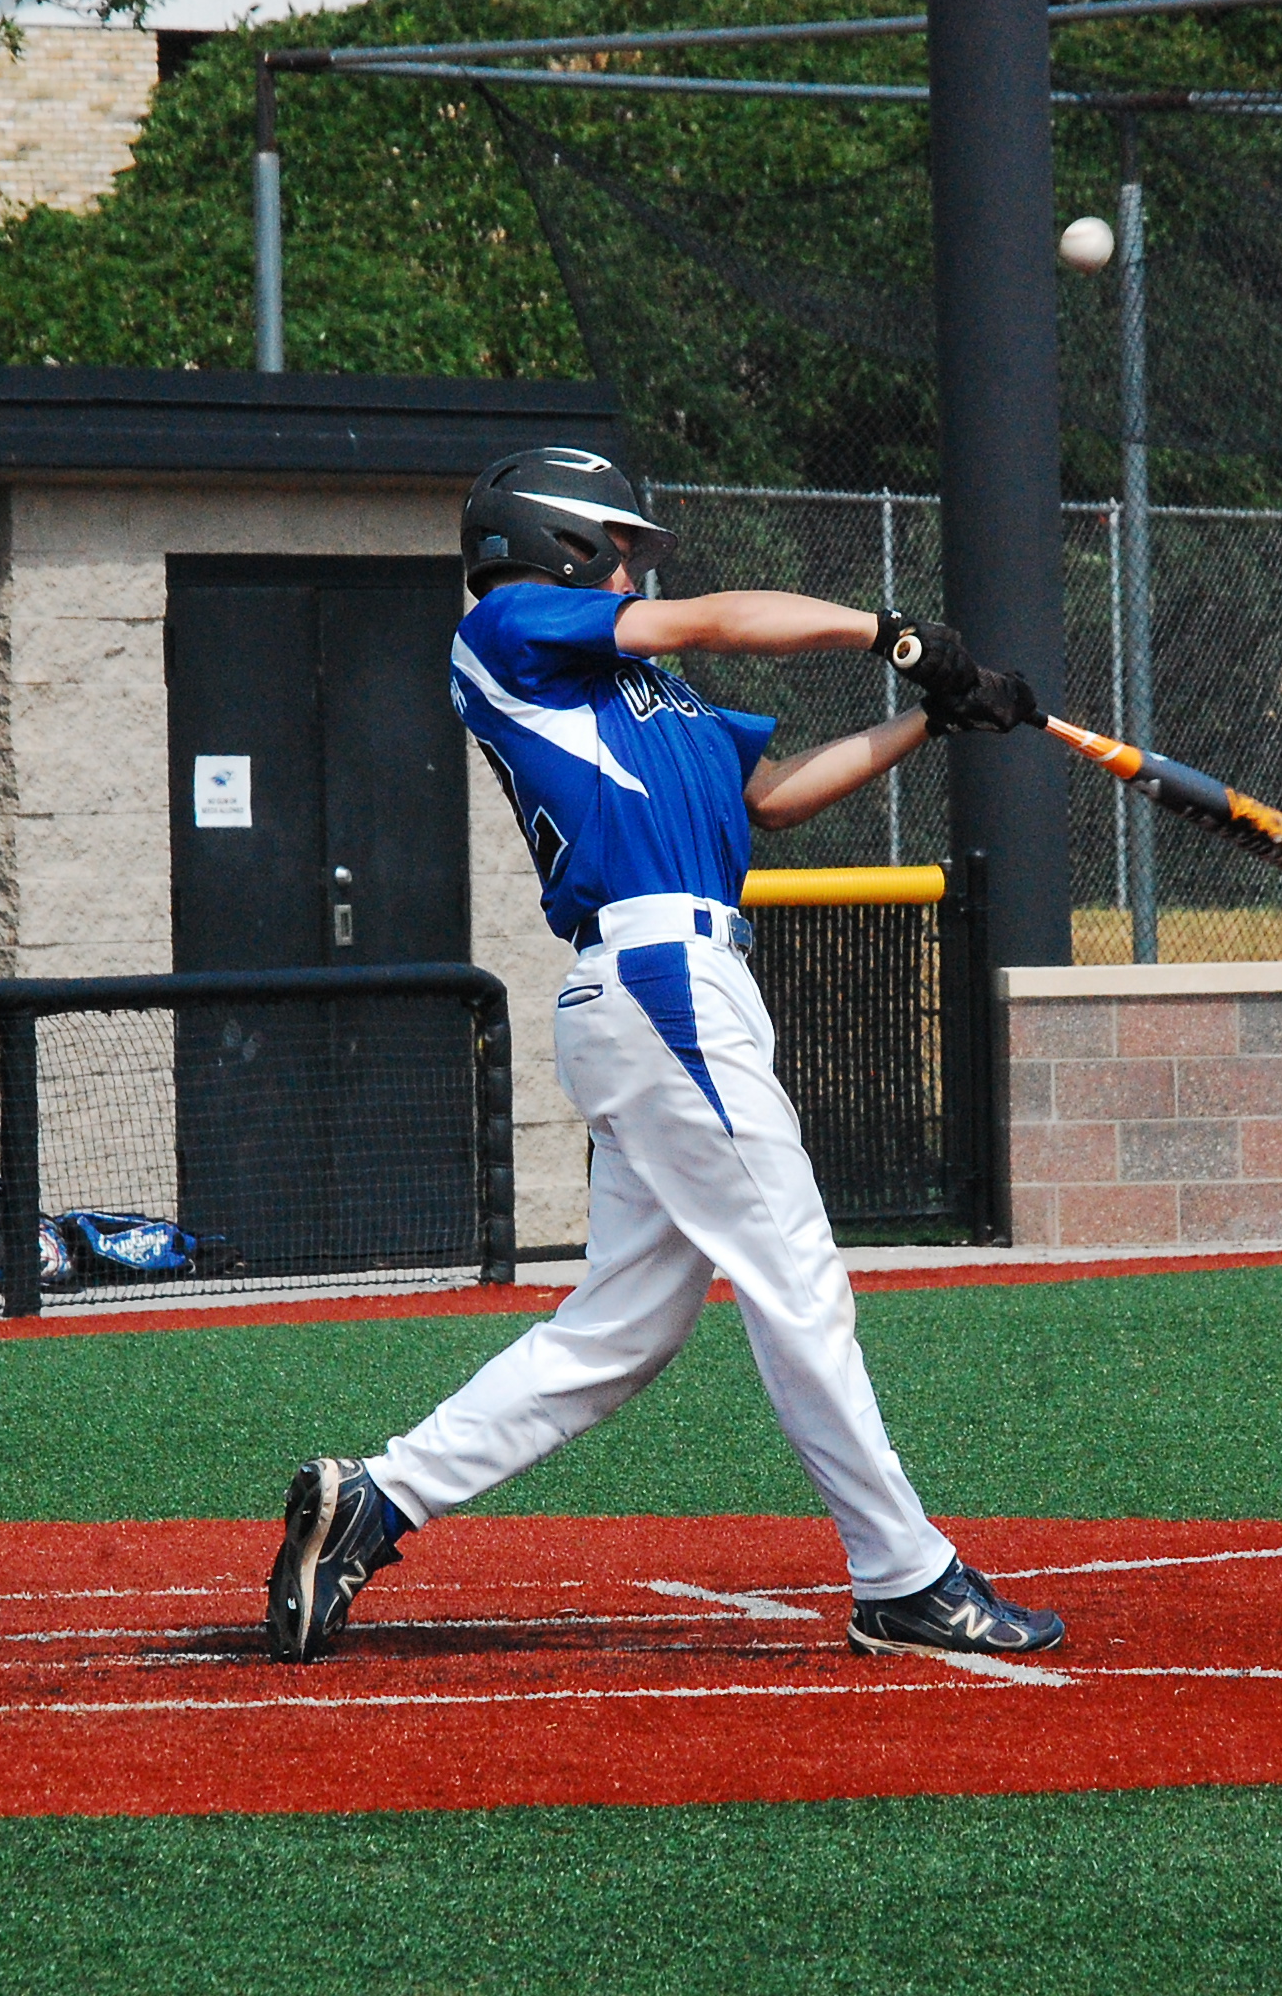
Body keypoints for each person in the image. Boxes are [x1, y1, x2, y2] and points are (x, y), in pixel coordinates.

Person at [268, 446, 1064, 1665]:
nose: (632, 568)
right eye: (619, 547)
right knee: (794, 1273)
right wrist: (890, 634)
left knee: (621, 1333)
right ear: (560, 540)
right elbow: (717, 617)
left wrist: (926, 718)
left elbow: (773, 797)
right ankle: (905, 1574)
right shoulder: (511, 625)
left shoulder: (648, 692)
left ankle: (378, 1499)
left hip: (676, 988)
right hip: (658, 977)